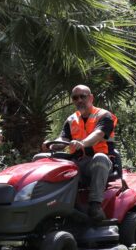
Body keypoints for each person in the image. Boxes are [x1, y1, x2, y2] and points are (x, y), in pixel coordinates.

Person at [44, 85, 117, 220]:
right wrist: (52, 144)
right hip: (77, 163)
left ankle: (95, 206)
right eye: (75, 98)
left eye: (83, 96)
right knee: (42, 158)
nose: (79, 100)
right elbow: (63, 139)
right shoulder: (71, 119)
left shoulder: (104, 116)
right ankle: (49, 204)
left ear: (91, 98)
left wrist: (82, 143)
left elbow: (98, 135)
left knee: (99, 158)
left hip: (101, 163)